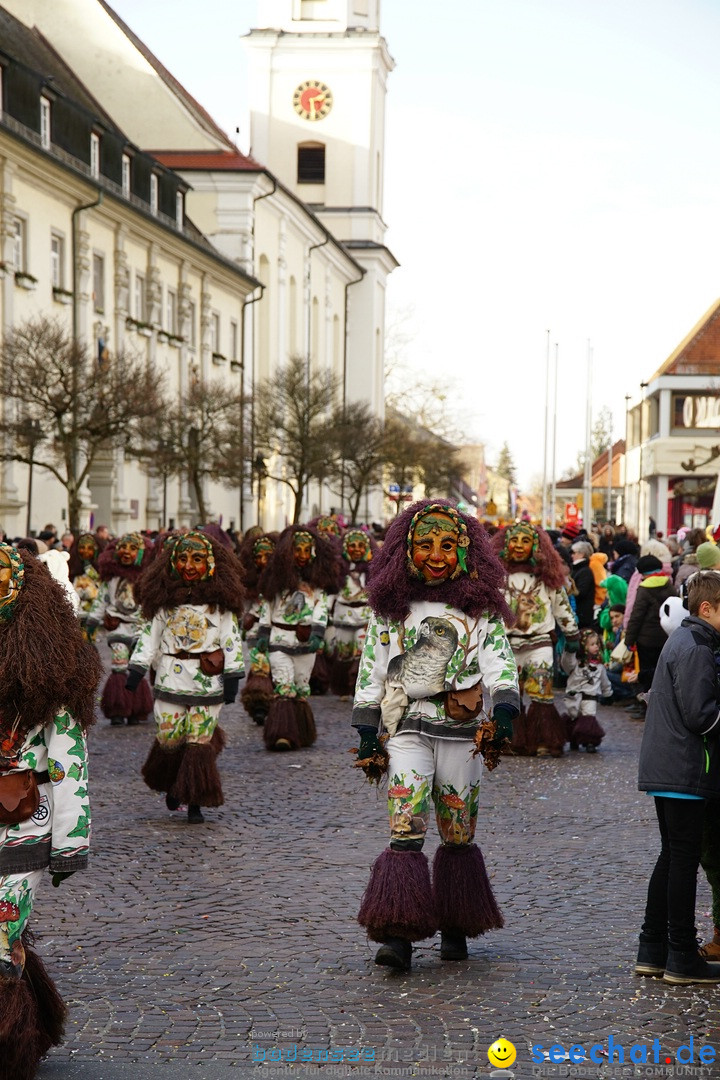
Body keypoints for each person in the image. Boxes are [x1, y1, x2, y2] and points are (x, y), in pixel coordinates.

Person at [352, 500, 520, 971]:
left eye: (447, 545)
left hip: (462, 731)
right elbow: (371, 667)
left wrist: (505, 709)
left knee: (457, 828)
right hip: (407, 726)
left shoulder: (480, 610)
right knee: (405, 822)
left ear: (466, 551)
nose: (436, 554)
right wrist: (367, 729)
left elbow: (499, 660)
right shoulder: (391, 608)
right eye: (424, 545)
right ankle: (398, 933)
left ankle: (455, 924)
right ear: (405, 551)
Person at [0, 543, 101, 1079]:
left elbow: (69, 763)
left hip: (23, 825)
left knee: (1, 931)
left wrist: (70, 842)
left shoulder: (52, 675)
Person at [636, 571, 720, 984]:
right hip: (685, 766)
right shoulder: (698, 647)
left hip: (669, 765)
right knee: (682, 859)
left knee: (672, 856)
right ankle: (682, 955)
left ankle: (653, 949)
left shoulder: (683, 640)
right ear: (707, 608)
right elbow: (701, 715)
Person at [127, 531, 245, 824]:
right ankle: (172, 782)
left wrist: (233, 676)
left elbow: (231, 640)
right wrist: (136, 669)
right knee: (169, 737)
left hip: (207, 681)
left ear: (211, 564)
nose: (189, 565)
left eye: (197, 559)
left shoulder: (220, 606)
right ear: (172, 563)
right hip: (170, 679)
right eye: (183, 559)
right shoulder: (165, 604)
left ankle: (195, 799)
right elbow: (150, 636)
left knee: (198, 741)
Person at [492, 522, 578, 757]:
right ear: (505, 544)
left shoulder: (547, 577)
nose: (519, 545)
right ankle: (512, 740)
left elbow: (562, 607)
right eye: (515, 540)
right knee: (511, 693)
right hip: (507, 645)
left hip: (539, 642)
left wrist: (572, 635)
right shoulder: (497, 577)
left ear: (536, 546)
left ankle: (544, 739)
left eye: (525, 541)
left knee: (542, 692)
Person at [256, 525, 340, 752]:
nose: (302, 555)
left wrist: (317, 633)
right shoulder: (275, 581)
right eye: (297, 550)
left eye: (306, 550)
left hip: (305, 645)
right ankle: (281, 733)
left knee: (301, 687)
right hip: (279, 641)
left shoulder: (317, 584)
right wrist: (263, 633)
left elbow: (321, 609)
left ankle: (301, 730)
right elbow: (267, 607)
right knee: (284, 685)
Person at [86, 532, 154, 726]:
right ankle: (118, 707)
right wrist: (92, 622)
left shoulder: (146, 578)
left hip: (140, 627)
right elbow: (102, 599)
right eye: (123, 548)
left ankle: (136, 708)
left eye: (133, 549)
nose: (127, 552)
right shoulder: (112, 579)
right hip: (117, 626)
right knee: (119, 664)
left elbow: (150, 604)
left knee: (136, 666)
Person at [624, 555, 676, 719]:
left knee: (646, 674)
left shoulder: (644, 588)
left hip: (646, 639)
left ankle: (646, 708)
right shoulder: (668, 584)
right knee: (661, 674)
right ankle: (662, 708)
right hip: (665, 637)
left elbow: (637, 616)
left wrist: (629, 640)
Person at [329, 528, 377, 697]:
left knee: (361, 651)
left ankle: (359, 687)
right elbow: (331, 592)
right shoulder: (338, 570)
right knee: (344, 653)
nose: (357, 549)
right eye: (352, 545)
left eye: (360, 546)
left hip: (364, 616)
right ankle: (342, 687)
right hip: (343, 616)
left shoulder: (372, 570)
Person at [238, 531, 277, 726]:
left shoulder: (283, 581)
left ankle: (278, 706)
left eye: (267, 556)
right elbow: (242, 605)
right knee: (259, 667)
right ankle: (259, 706)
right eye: (258, 557)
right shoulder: (248, 581)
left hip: (278, 632)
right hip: (255, 632)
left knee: (278, 669)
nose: (263, 561)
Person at [560, 628, 611, 752]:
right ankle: (574, 739)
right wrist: (569, 651)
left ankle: (590, 741)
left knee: (589, 716)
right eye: (592, 644)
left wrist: (607, 693)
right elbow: (566, 663)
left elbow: (604, 682)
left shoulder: (599, 667)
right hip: (574, 695)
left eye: (597, 644)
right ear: (584, 646)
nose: (596, 647)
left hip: (590, 696)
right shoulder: (575, 665)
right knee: (574, 716)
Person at [570, 541, 596, 630]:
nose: (572, 555)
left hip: (582, 616)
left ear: (581, 554)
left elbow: (581, 593)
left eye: (574, 553)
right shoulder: (578, 570)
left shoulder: (585, 572)